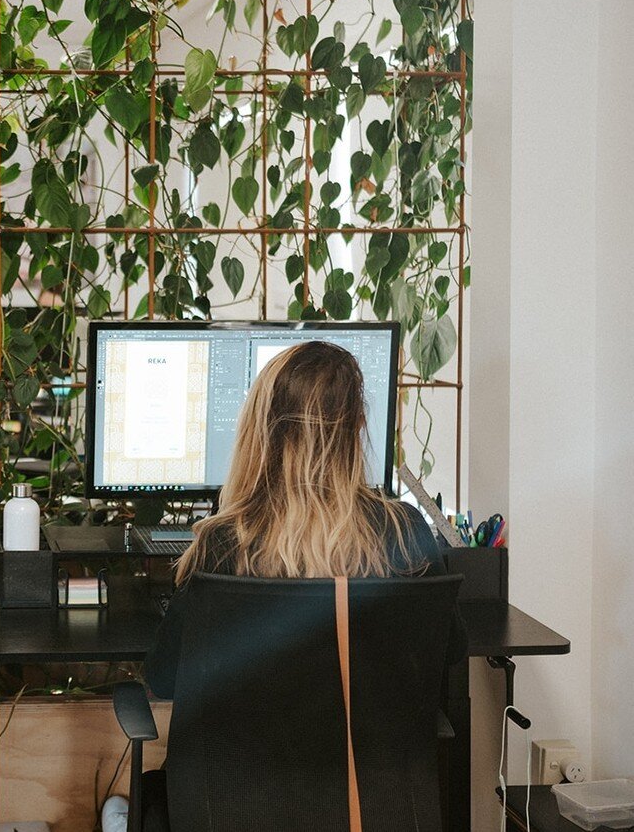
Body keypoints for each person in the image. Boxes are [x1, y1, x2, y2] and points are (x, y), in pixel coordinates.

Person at [134, 340, 466, 832]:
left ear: (261, 432)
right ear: (356, 429)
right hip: (372, 808)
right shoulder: (405, 533)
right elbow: (449, 651)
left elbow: (164, 678)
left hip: (232, 810)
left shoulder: (225, 544)